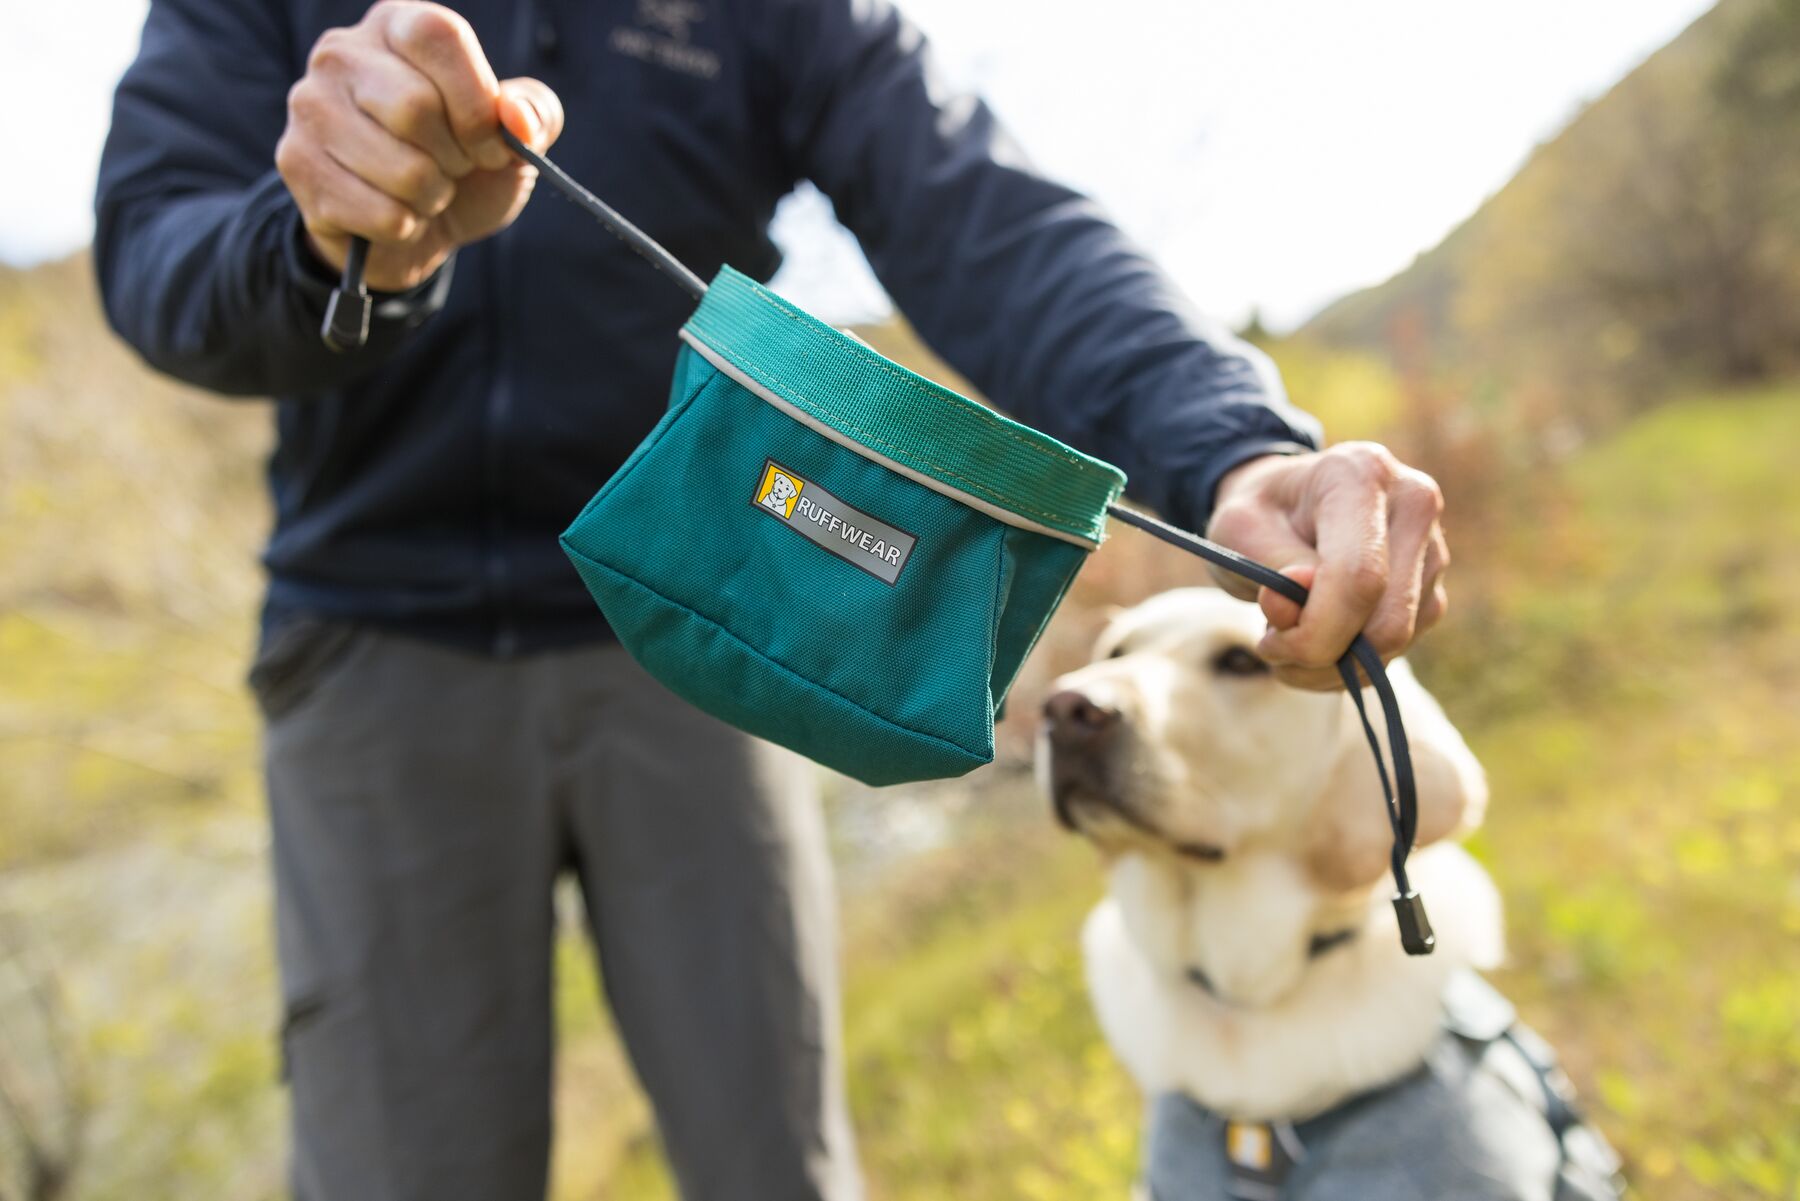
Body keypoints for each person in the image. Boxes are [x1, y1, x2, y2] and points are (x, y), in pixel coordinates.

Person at [94, 1, 1450, 1198]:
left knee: (773, 1163)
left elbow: (985, 220)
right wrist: (329, 239)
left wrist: (1236, 448)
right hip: (375, 649)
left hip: (715, 632)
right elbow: (157, 257)